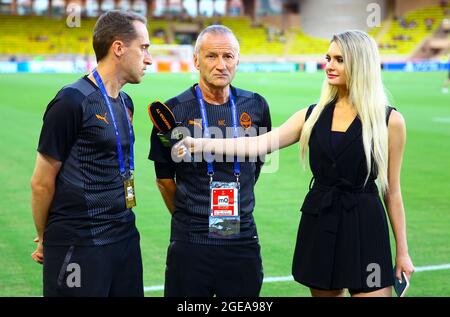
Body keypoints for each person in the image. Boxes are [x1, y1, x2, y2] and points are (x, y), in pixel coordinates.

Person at [179, 30, 415, 297]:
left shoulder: (390, 122)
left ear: (360, 63)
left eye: (339, 59)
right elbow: (257, 144)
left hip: (366, 224)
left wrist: (403, 252)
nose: (329, 65)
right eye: (328, 58)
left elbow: (392, 190)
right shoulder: (312, 115)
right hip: (322, 220)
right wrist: (199, 144)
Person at [30, 10, 152, 297]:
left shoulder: (125, 102)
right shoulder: (71, 102)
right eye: (144, 48)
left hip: (124, 238)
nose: (149, 58)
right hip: (79, 242)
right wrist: (47, 238)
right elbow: (41, 181)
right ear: (118, 48)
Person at [148, 25, 272, 297]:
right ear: (195, 60)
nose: (221, 65)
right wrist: (191, 214)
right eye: (211, 56)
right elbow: (164, 179)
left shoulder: (256, 106)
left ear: (237, 60)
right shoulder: (173, 111)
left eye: (228, 56)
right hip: (191, 241)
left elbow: (257, 164)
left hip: (242, 240)